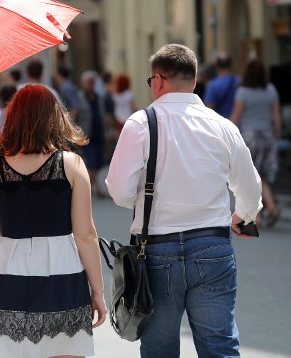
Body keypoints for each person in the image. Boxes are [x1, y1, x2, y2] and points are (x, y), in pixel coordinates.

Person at [106, 44, 262, 358]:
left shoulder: (140, 124)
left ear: (158, 81)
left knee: (160, 349)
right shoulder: (222, 126)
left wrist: (146, 194)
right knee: (220, 346)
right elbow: (250, 186)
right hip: (212, 247)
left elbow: (120, 193)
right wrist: (243, 215)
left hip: (156, 252)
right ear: (193, 82)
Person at [0, 84, 106, 357]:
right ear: (54, 117)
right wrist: (98, 292)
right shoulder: (71, 164)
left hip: (8, 270)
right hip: (61, 268)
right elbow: (85, 235)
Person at [230, 59, 282, 228]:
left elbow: (235, 118)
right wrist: (277, 136)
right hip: (267, 136)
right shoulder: (271, 90)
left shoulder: (243, 92)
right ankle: (269, 208)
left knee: (252, 176)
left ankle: (260, 214)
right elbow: (276, 117)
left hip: (250, 136)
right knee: (262, 176)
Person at [78, 70, 107, 198]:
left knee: (99, 162)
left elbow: (103, 114)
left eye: (92, 82)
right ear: (83, 83)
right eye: (88, 82)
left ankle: (88, 186)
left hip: (99, 134)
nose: (90, 85)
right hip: (86, 135)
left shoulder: (98, 97)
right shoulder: (79, 98)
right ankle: (93, 188)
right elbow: (75, 117)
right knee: (92, 162)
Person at [203, 52, 240, 118]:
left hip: (221, 126)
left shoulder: (212, 85)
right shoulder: (240, 81)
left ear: (216, 66)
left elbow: (209, 109)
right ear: (231, 65)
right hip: (239, 125)